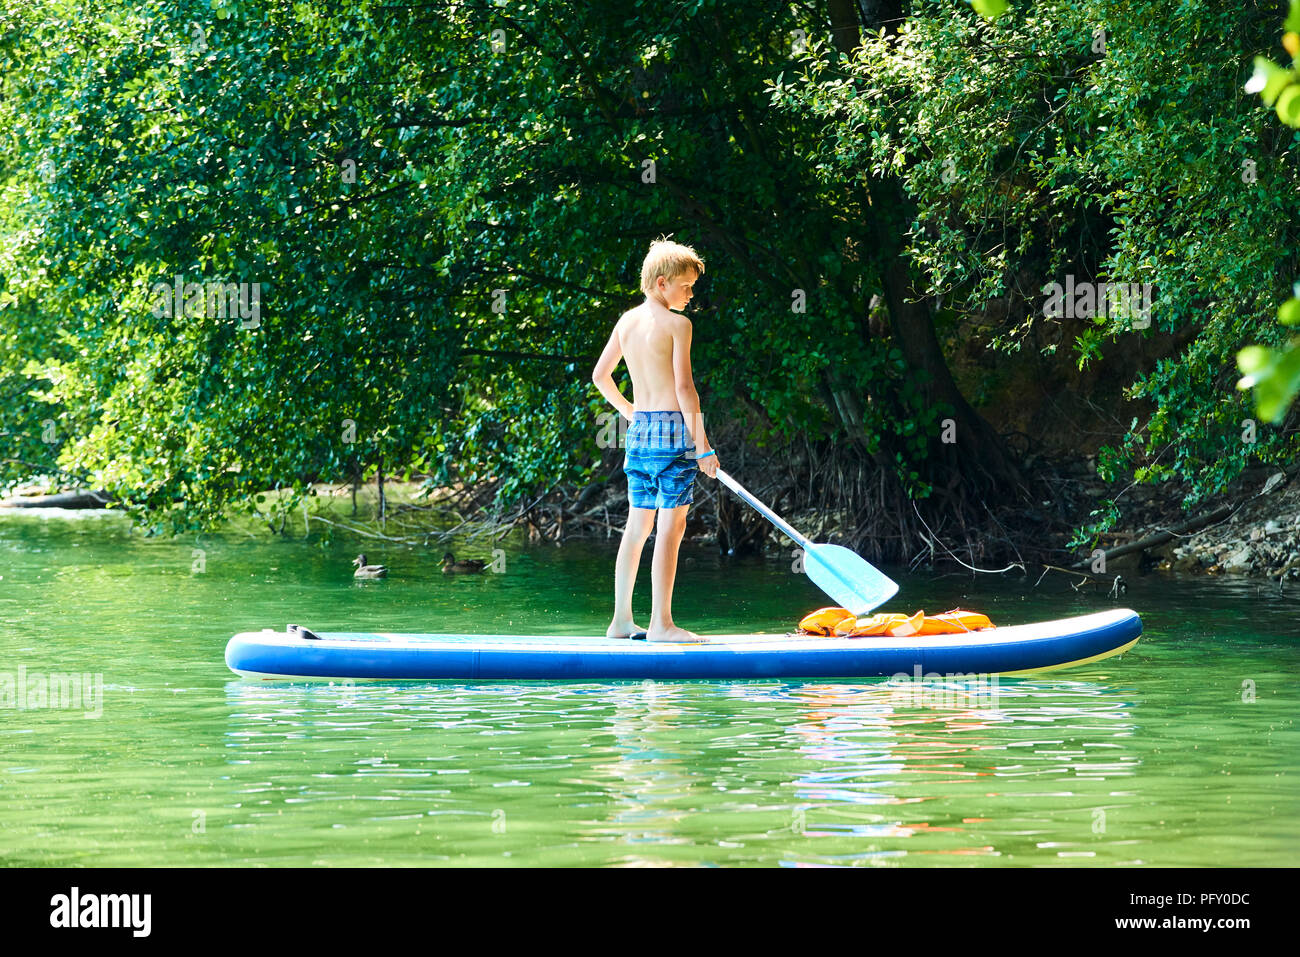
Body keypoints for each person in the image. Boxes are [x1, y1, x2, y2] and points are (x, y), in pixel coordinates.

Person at [591, 237, 719, 642]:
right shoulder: (678, 325)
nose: (690, 293)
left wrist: (630, 412)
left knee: (637, 525)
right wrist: (703, 446)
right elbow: (685, 389)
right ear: (662, 283)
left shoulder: (626, 321)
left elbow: (600, 376)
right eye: (686, 285)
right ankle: (662, 624)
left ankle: (621, 621)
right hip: (672, 433)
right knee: (671, 528)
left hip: (640, 432)